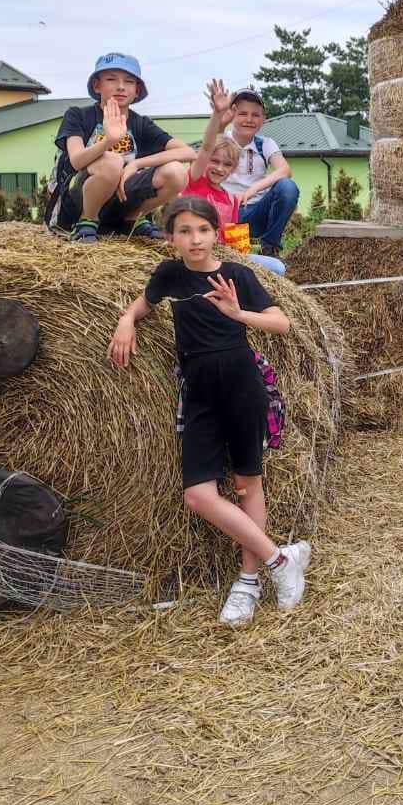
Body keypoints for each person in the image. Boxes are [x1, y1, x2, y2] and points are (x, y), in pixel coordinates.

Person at [108, 197, 310, 627]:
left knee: (245, 484)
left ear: (215, 233)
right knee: (198, 494)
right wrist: (127, 321)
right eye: (184, 231)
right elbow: (144, 303)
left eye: (201, 230)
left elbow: (282, 323)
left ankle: (248, 582)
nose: (194, 239)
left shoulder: (236, 274)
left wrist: (239, 314)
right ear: (170, 238)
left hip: (240, 384)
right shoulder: (169, 274)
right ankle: (281, 560)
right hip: (198, 392)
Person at [46, 53, 194, 243]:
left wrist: (136, 164)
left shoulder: (140, 123)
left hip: (121, 198)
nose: (121, 87)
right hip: (77, 199)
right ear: (97, 85)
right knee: (113, 161)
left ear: (137, 90)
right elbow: (76, 161)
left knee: (176, 171)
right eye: (111, 79)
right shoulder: (78, 115)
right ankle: (87, 221)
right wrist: (108, 141)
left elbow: (188, 153)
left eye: (129, 81)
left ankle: (131, 220)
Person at [182, 80, 286, 275]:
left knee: (278, 268)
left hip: (224, 254)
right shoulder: (196, 182)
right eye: (214, 161)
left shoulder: (230, 201)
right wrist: (218, 115)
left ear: (234, 168)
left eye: (227, 164)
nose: (220, 168)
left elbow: (231, 242)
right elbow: (207, 146)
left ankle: (269, 248)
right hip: (197, 252)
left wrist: (237, 253)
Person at [222, 89, 300, 260]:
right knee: (235, 261)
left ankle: (270, 246)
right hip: (224, 213)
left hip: (256, 212)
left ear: (263, 119)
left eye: (255, 115)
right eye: (243, 113)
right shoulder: (221, 140)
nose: (249, 119)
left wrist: (253, 189)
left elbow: (285, 170)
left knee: (287, 187)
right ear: (232, 115)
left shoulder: (265, 143)